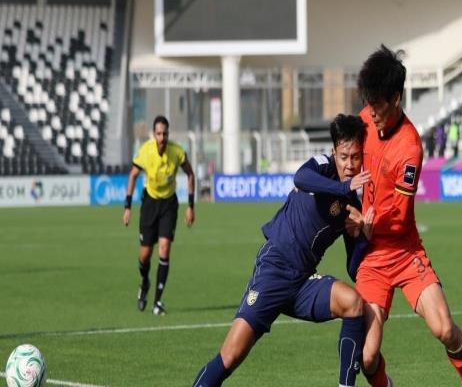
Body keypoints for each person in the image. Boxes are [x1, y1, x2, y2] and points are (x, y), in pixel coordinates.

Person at [193, 114, 374, 387]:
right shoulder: (322, 166)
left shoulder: (352, 205)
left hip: (303, 282)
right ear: (334, 152)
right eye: (344, 156)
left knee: (353, 303)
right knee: (230, 356)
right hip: (274, 269)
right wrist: (343, 186)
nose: (350, 164)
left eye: (356, 157)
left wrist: (361, 237)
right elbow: (300, 177)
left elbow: (353, 267)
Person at [356, 45, 462, 387]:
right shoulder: (364, 120)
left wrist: (364, 220)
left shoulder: (410, 147)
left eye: (377, 104)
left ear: (396, 99)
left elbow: (398, 216)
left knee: (445, 330)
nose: (371, 111)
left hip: (405, 252)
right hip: (372, 257)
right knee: (367, 356)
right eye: (368, 102)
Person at [123, 115, 195, 315]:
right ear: (153, 134)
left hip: (169, 205)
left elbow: (190, 174)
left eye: (164, 134)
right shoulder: (146, 151)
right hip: (150, 204)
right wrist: (127, 206)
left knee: (164, 249)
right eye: (158, 134)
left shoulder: (177, 152)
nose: (162, 138)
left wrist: (190, 206)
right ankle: (144, 282)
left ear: (168, 134)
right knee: (145, 255)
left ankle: (157, 301)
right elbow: (133, 175)